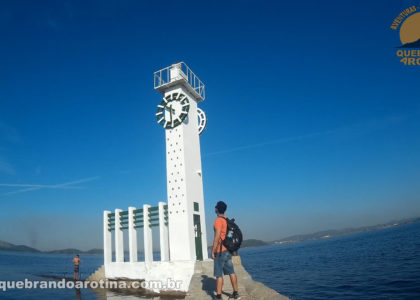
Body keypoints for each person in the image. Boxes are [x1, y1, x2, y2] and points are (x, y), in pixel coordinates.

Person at [211, 201, 240, 299]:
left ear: (217, 209)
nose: (215, 208)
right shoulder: (226, 220)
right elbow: (229, 235)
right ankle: (236, 293)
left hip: (220, 251)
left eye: (215, 207)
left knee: (219, 274)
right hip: (228, 250)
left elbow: (217, 235)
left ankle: (219, 296)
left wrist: (213, 250)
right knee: (231, 272)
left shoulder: (218, 220)